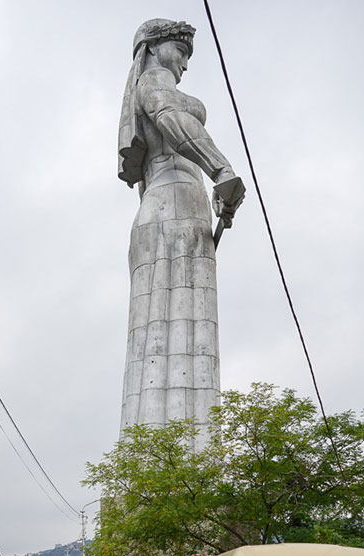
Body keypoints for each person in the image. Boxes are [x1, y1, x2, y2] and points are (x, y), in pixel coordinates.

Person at [117, 19, 245, 452]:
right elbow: (171, 119)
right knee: (171, 332)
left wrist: (220, 197)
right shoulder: (153, 81)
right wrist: (220, 169)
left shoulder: (156, 83)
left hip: (174, 206)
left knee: (177, 333)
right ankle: (182, 464)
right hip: (172, 208)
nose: (186, 64)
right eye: (182, 51)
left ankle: (175, 464)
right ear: (154, 47)